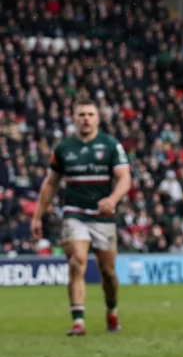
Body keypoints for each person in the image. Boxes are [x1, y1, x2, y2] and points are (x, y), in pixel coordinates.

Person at [31, 97, 131, 336]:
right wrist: (37, 216)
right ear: (74, 118)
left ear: (98, 118)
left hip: (103, 216)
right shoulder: (64, 149)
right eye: (81, 115)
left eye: (90, 114)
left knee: (108, 273)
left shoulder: (110, 146)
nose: (86, 119)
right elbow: (51, 183)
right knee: (77, 261)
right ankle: (78, 321)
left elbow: (125, 178)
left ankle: (112, 311)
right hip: (74, 213)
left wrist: (112, 200)